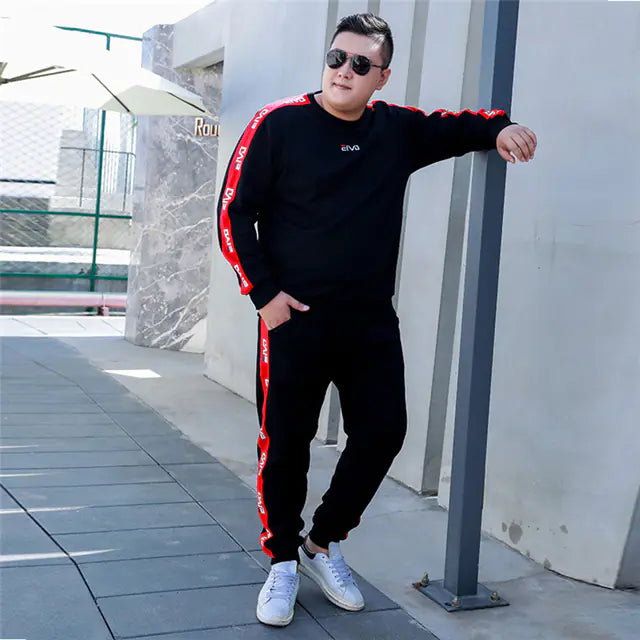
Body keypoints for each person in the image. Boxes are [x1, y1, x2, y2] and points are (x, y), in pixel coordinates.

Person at [217, 12, 537, 628]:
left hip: (368, 322)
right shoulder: (277, 124)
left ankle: (320, 544)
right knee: (285, 443)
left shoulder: (395, 130)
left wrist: (502, 127)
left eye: (361, 64)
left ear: (381, 77)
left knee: (385, 431)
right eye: (337, 58)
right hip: (293, 322)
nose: (344, 71)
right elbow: (234, 213)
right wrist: (265, 296)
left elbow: (458, 126)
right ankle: (281, 560)